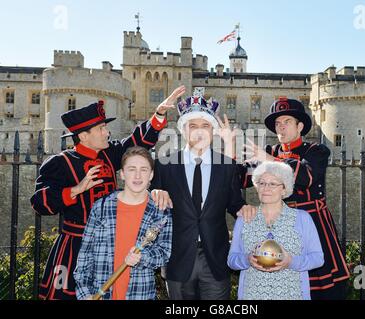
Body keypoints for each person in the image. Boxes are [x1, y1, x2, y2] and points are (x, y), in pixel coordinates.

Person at [30, 86, 185, 300]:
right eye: (101, 128)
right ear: (83, 136)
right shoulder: (60, 163)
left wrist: (158, 115)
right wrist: (76, 190)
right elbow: (39, 203)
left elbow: (137, 142)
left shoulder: (110, 153)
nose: (107, 132)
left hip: (110, 244)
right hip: (75, 247)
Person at [224, 97, 350, 300]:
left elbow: (306, 177)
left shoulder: (316, 150)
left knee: (323, 290)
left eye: (287, 122)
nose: (280, 128)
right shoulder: (269, 152)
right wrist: (229, 149)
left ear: (300, 126)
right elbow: (236, 178)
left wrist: (268, 160)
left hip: (312, 224)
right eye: (277, 124)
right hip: (274, 223)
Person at [151, 90, 256, 300]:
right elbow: (151, 208)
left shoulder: (226, 165)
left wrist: (244, 209)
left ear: (213, 130)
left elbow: (234, 203)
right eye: (193, 126)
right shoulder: (164, 165)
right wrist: (154, 194)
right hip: (177, 258)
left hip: (215, 258)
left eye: (205, 126)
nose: (199, 132)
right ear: (183, 130)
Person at [74, 146, 172, 300]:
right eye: (132, 169)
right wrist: (85, 293)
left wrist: (142, 257)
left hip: (140, 294)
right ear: (122, 174)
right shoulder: (101, 207)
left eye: (144, 170)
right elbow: (85, 256)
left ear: (151, 174)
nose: (138, 176)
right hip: (100, 293)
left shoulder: (160, 211)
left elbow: (165, 253)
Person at [228, 161, 323, 300]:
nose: (266, 188)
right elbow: (232, 260)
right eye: (262, 183)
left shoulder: (302, 218)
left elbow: (317, 258)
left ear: (284, 189)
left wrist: (291, 261)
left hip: (292, 295)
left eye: (273, 184)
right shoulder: (245, 218)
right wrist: (247, 259)